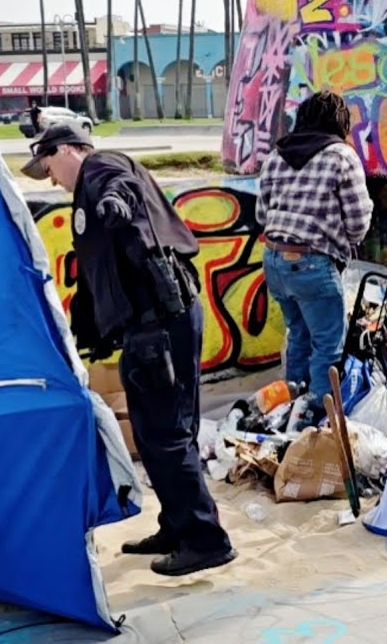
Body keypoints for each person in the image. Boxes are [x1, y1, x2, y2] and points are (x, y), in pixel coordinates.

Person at [21, 124, 237, 577]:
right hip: (153, 324)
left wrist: (115, 203)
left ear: (68, 150)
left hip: (160, 322)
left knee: (165, 433)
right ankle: (177, 525)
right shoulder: (89, 187)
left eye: (49, 165)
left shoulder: (101, 168)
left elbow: (120, 186)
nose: (51, 178)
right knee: (159, 430)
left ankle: (205, 539)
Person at [257, 91, 373, 418]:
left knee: (299, 336)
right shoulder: (341, 156)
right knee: (327, 347)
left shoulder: (276, 156)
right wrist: (344, 242)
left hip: (275, 261)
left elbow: (262, 214)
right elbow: (358, 220)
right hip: (312, 263)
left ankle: (288, 411)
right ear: (338, 123)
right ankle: (319, 420)